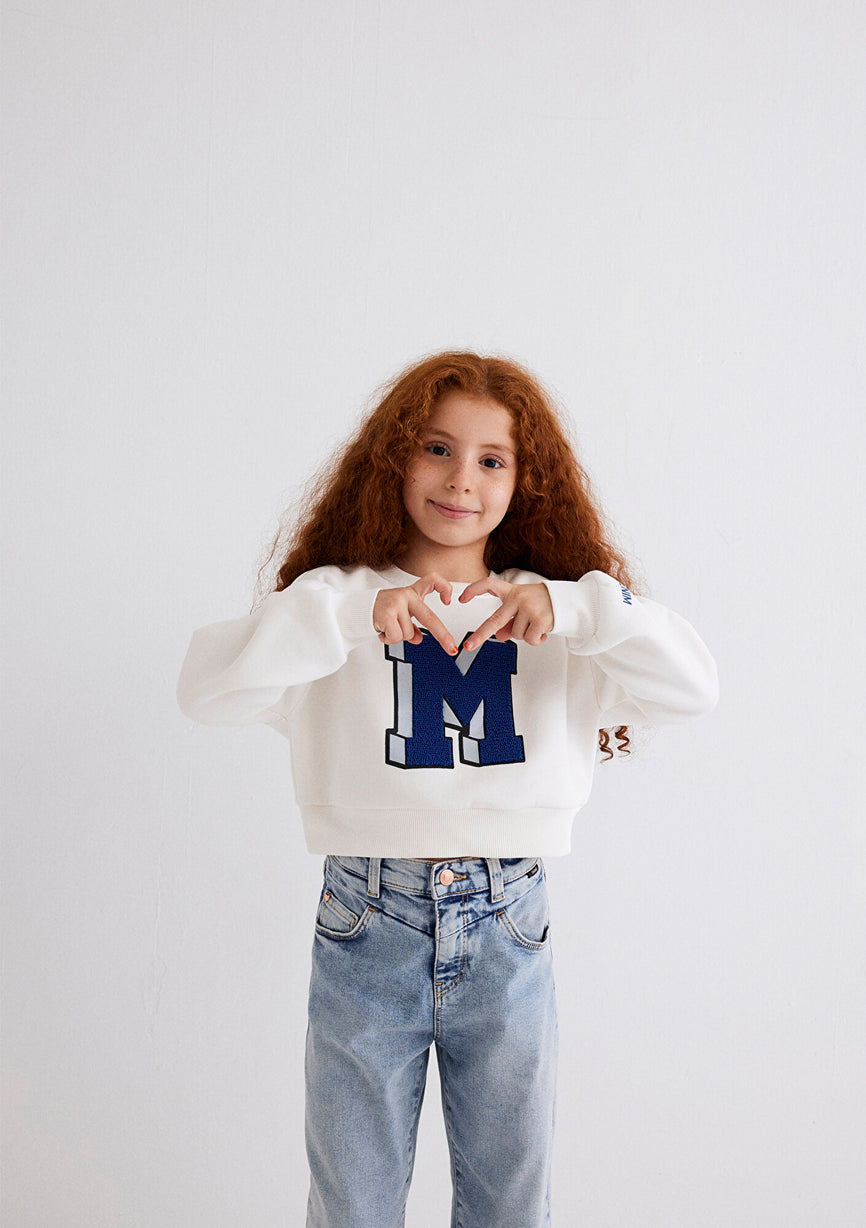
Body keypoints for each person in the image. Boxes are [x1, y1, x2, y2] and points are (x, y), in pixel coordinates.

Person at [176, 349, 718, 1228]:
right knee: (353, 1202)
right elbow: (207, 690)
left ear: (524, 480)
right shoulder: (339, 601)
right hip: (367, 918)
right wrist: (346, 617)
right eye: (437, 448)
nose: (462, 478)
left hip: (511, 924)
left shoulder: (556, 614)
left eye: (492, 459)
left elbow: (694, 689)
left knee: (511, 1202)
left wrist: (582, 608)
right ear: (394, 456)